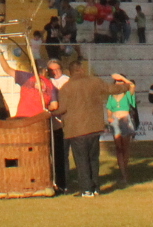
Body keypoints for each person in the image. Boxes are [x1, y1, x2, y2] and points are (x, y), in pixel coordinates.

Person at [54, 57, 108, 197]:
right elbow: (111, 89)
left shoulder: (66, 88)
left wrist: (49, 112)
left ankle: (86, 189)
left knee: (81, 160)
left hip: (77, 130)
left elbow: (62, 109)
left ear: (70, 72)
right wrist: (127, 85)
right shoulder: (95, 82)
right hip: (95, 128)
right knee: (93, 159)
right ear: (82, 69)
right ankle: (95, 188)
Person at [105, 74, 138, 189]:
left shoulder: (127, 94)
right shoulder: (111, 96)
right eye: (116, 82)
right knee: (118, 148)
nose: (118, 84)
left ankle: (125, 170)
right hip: (115, 120)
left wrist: (123, 78)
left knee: (125, 147)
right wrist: (109, 117)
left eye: (120, 82)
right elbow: (109, 109)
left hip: (125, 120)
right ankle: (122, 172)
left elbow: (132, 86)